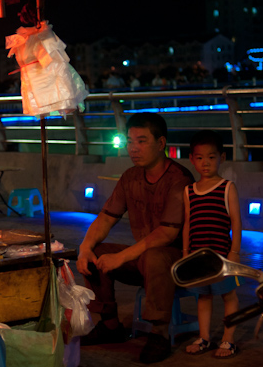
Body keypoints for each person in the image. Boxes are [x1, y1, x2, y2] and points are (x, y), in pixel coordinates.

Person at [77, 112, 194, 364]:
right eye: (129, 141)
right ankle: (110, 325)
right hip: (143, 256)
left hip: (178, 261)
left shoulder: (179, 179)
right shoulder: (130, 177)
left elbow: (167, 233)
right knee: (95, 253)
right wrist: (85, 247)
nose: (133, 149)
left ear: (161, 144)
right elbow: (106, 217)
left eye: (141, 141)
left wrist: (122, 256)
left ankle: (159, 334)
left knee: (154, 256)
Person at [183, 130, 242, 358]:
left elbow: (236, 223)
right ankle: (204, 337)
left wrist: (234, 252)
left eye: (211, 157)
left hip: (223, 257)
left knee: (228, 296)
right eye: (199, 158)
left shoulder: (227, 187)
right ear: (192, 159)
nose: (205, 163)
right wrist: (186, 253)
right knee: (203, 296)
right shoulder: (189, 191)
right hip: (198, 259)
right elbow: (188, 224)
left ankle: (228, 340)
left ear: (222, 158)